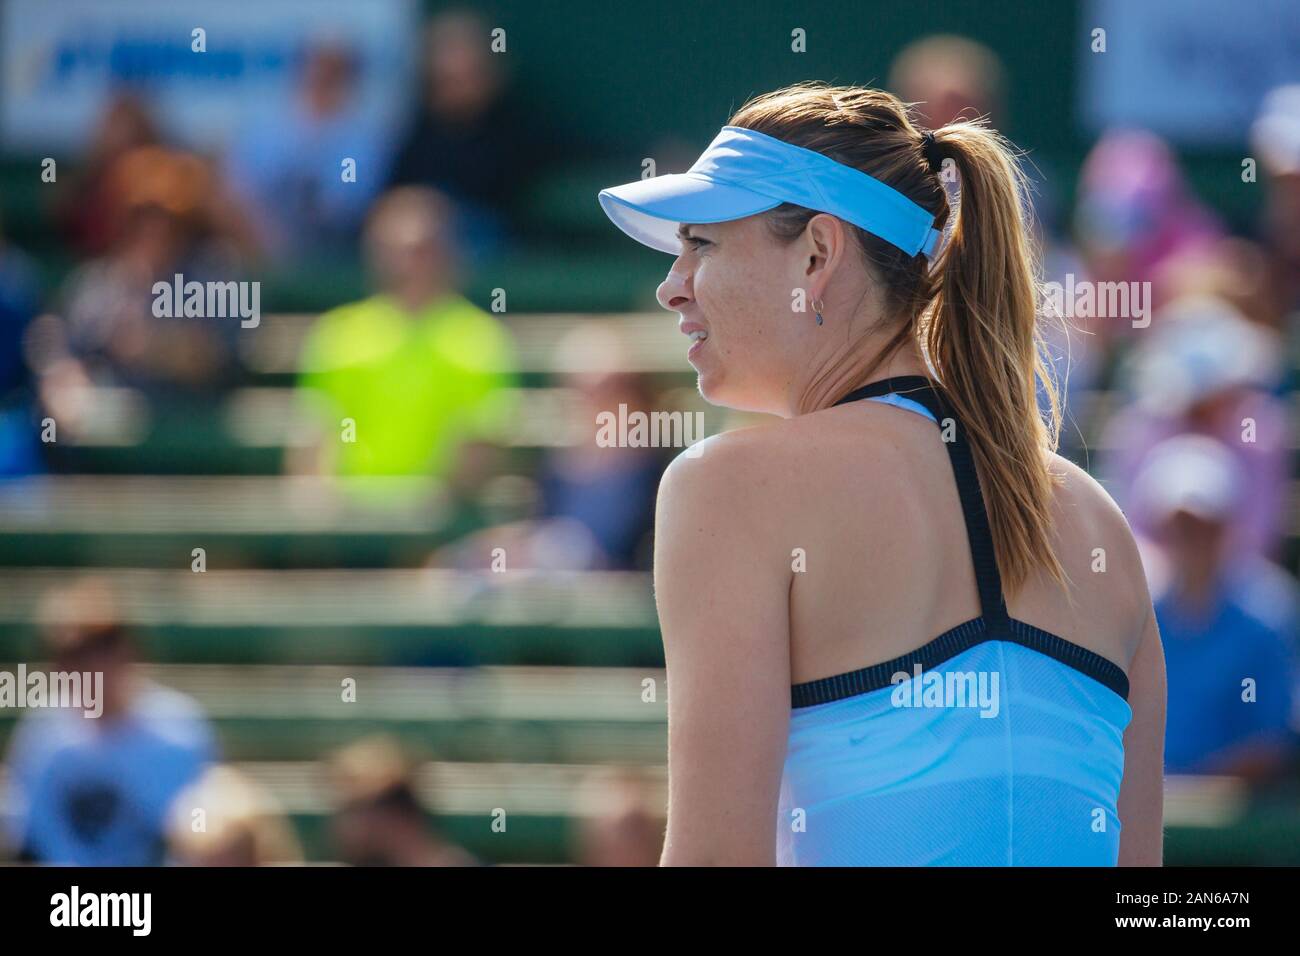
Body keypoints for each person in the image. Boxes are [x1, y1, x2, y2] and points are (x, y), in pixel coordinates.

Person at [597, 83, 1165, 866]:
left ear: (817, 254)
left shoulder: (726, 487)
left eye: (702, 244)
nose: (673, 285)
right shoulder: (1102, 522)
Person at [291, 186, 517, 487]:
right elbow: (316, 435)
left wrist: (427, 517)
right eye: (394, 251)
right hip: (353, 519)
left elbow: (481, 442)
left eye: (422, 250)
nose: (407, 264)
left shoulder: (481, 339)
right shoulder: (337, 334)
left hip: (440, 521)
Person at [4, 578, 216, 865]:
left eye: (100, 650)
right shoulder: (42, 733)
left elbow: (204, 837)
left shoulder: (180, 732)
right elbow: (26, 834)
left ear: (127, 652)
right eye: (71, 656)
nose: (85, 669)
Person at [1131, 436, 1296, 782]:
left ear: (1225, 528)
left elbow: (1269, 743)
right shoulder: (1139, 615)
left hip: (1236, 829)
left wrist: (1189, 791)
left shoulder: (1268, 618)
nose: (1192, 540)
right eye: (1181, 527)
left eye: (1204, 526)